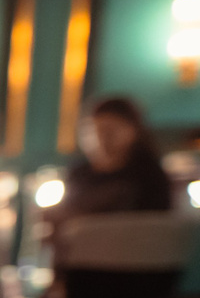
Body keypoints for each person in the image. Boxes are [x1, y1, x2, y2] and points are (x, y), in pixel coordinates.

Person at [57, 95, 172, 228]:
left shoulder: (149, 175)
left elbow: (156, 223)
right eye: (94, 132)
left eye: (110, 131)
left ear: (133, 131)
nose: (101, 140)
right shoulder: (78, 174)